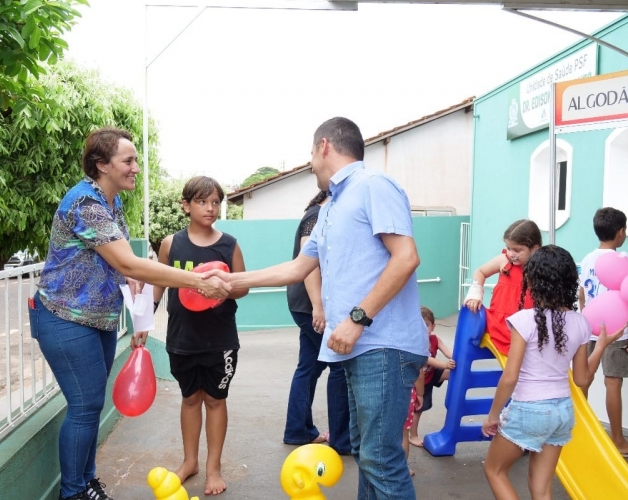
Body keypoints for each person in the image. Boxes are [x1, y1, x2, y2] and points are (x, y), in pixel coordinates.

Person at [205, 117, 430, 500]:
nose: (310, 163)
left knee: (381, 458)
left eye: (311, 153)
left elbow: (406, 257)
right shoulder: (330, 208)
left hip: (384, 346)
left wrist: (357, 319)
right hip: (361, 348)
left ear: (324, 146)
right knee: (366, 454)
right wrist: (233, 282)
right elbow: (297, 267)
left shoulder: (373, 186)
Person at [30, 128, 230, 500]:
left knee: (90, 406)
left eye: (136, 160)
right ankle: (73, 493)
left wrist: (134, 291)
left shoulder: (112, 202)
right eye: (129, 161)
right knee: (85, 406)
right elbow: (129, 262)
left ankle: (87, 482)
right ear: (101, 165)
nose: (137, 167)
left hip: (98, 320)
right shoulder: (86, 204)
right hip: (64, 319)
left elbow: (122, 265)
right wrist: (195, 281)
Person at [481, 245, 623, 500]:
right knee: (542, 488)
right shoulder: (580, 322)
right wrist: (599, 346)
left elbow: (510, 376)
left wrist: (492, 416)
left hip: (529, 410)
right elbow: (582, 379)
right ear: (569, 280)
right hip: (562, 413)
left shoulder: (524, 320)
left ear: (533, 279)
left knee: (494, 470)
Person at [144, 176, 249, 496]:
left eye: (216, 202)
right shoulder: (171, 244)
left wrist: (225, 284)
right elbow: (157, 281)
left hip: (220, 340)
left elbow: (243, 288)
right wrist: (144, 320)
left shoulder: (228, 244)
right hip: (182, 338)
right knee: (190, 399)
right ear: (186, 205)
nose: (211, 208)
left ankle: (213, 468)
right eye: (202, 202)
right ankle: (190, 462)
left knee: (216, 400)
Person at [283, 190, 351, 455]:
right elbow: (309, 263)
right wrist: (318, 307)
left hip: (307, 305)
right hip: (311, 305)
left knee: (309, 367)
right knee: (339, 367)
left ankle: (298, 430)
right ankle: (342, 440)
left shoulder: (316, 215)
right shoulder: (316, 217)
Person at [578, 207, 628, 459]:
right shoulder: (623, 259)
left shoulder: (587, 259)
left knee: (583, 380)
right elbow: (626, 294)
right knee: (612, 384)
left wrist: (584, 319)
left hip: (589, 328)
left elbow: (582, 294)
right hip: (616, 331)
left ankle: (577, 434)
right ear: (620, 233)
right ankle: (617, 440)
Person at [464, 219, 542, 355]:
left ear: (535, 248)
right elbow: (480, 272)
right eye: (509, 248)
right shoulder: (504, 260)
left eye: (517, 250)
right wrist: (475, 293)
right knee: (469, 316)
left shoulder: (540, 269)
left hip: (525, 328)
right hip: (498, 324)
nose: (511, 253)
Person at [407, 306, 455, 448]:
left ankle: (456, 399)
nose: (422, 329)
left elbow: (449, 353)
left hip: (432, 374)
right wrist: (444, 364)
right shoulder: (415, 343)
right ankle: (413, 435)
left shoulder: (435, 340)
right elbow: (426, 359)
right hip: (419, 381)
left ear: (433, 326)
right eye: (418, 325)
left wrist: (457, 358)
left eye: (426, 325)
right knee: (418, 410)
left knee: (455, 374)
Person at [401, 370, 425, 477]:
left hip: (381, 394)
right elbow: (419, 374)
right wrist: (420, 394)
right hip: (406, 395)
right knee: (403, 435)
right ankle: (402, 468)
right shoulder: (411, 352)